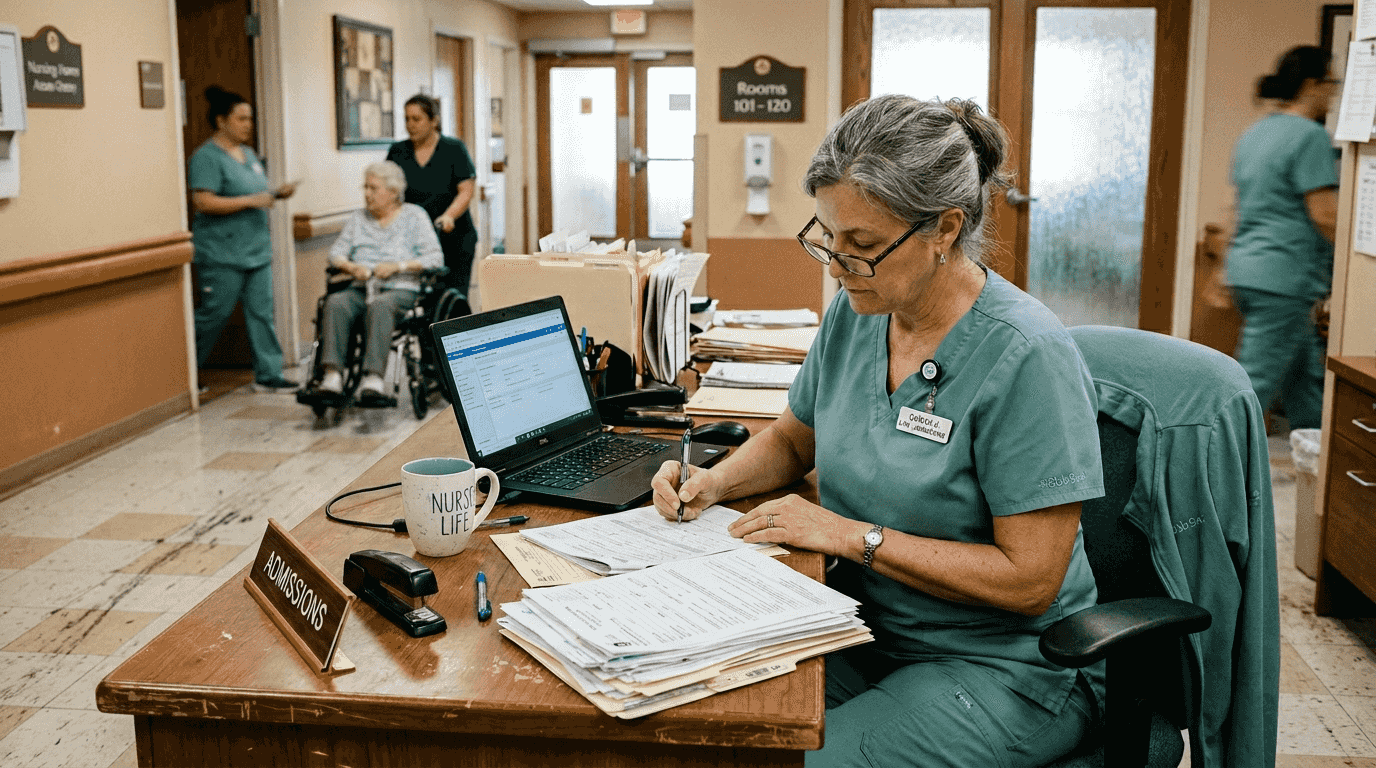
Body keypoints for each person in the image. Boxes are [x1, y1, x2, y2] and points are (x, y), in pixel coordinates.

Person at [651, 95, 1107, 767]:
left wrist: (851, 536)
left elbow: (1031, 579)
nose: (837, 264)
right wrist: (711, 483)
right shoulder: (860, 308)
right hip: (861, 628)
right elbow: (791, 441)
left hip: (1005, 667)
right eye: (828, 238)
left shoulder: (1026, 356)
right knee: (701, 718)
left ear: (945, 230)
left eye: (862, 245)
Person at [1226, 45, 1340, 431]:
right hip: (1282, 276)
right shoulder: (1310, 136)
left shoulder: (1257, 133)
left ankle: (1316, 464)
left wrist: (1220, 274)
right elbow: (1325, 215)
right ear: (1312, 85)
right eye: (1331, 82)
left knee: (1303, 377)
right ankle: (1212, 470)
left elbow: (1237, 210)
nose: (1334, 92)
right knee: (1252, 386)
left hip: (1250, 270)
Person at [189, 86, 298, 393]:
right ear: (221, 121)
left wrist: (275, 193)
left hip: (256, 251)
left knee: (262, 314)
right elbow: (204, 201)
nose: (248, 124)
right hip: (222, 252)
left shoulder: (249, 155)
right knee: (215, 314)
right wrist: (253, 201)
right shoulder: (206, 157)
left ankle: (269, 374)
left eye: (250, 118)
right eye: (241, 119)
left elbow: (253, 193)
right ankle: (184, 371)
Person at [316, 161, 443, 399]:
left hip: (401, 288)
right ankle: (332, 374)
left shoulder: (414, 216)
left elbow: (435, 258)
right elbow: (335, 254)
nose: (366, 194)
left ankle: (373, 378)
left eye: (373, 188)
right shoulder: (358, 219)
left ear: (393, 193)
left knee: (380, 306)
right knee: (335, 303)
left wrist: (397, 266)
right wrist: (352, 267)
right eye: (365, 187)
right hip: (362, 286)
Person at [386, 94, 478, 296]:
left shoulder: (453, 149)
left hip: (452, 237)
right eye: (407, 119)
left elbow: (466, 191)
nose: (410, 125)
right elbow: (389, 191)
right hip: (415, 239)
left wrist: (449, 216)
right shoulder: (398, 151)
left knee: (452, 296)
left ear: (434, 120)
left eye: (416, 119)